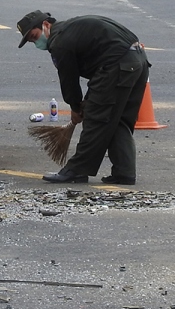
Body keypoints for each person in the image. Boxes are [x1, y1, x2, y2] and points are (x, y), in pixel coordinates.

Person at [16, 10, 150, 185]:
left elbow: (68, 78)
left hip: (117, 65)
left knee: (96, 119)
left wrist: (75, 107)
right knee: (118, 120)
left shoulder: (59, 42)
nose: (36, 43)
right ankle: (124, 172)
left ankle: (77, 170)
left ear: (46, 25)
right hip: (137, 60)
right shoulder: (71, 28)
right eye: (31, 41)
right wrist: (84, 102)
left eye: (34, 36)